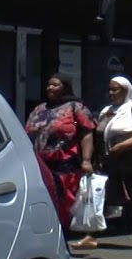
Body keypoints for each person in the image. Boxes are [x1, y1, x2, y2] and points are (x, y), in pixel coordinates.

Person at [90, 75, 132, 249]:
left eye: (115, 89)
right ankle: (90, 235)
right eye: (109, 89)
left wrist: (121, 147)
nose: (111, 93)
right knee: (100, 198)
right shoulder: (107, 111)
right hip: (109, 163)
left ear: (125, 91)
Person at [25, 74, 96, 234]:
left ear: (65, 87)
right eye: (49, 85)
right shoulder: (39, 109)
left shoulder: (74, 108)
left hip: (65, 164)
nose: (50, 88)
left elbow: (85, 132)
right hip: (40, 164)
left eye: (55, 85)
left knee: (63, 200)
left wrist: (86, 160)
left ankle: (63, 233)